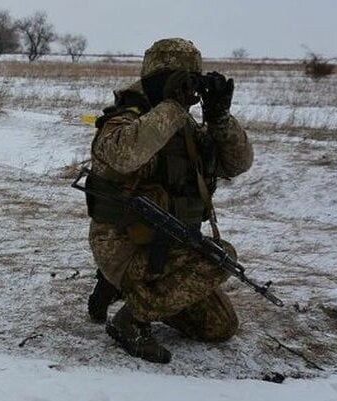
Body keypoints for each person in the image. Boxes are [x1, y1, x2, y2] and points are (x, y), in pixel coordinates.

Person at [85, 38, 254, 364]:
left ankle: (129, 292)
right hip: (124, 245)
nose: (188, 91)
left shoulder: (184, 127)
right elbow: (123, 154)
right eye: (180, 80)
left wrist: (220, 118)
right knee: (221, 258)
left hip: (170, 246)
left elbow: (237, 164)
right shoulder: (124, 119)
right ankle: (131, 319)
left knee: (220, 326)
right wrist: (173, 107)